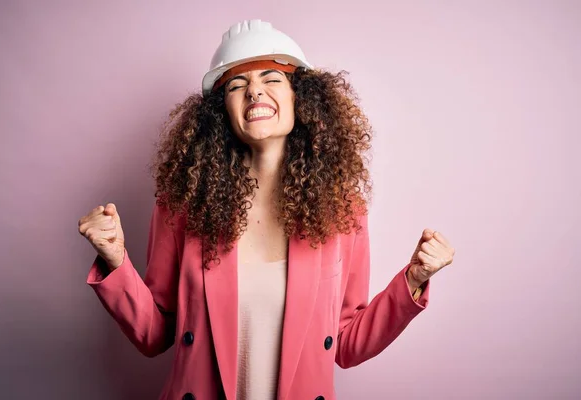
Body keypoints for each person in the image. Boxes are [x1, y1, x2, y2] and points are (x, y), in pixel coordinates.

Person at [78, 19, 455, 400]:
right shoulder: (184, 206)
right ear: (220, 111)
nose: (255, 92)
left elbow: (345, 343)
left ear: (299, 98)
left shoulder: (342, 211)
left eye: (271, 78)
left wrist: (414, 280)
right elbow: (155, 333)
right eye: (237, 85)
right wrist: (115, 261)